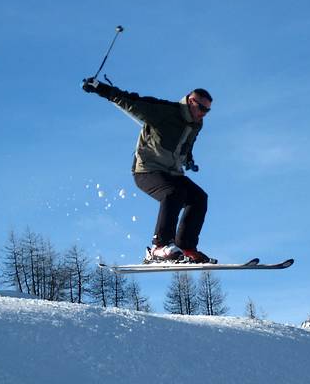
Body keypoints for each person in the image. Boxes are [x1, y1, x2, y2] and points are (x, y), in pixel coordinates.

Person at [82, 77, 216, 264]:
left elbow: (187, 143)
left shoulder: (196, 124)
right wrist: (99, 88)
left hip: (172, 172)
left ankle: (185, 246)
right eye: (202, 108)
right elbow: (130, 101)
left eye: (207, 111)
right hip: (146, 170)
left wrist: (189, 158)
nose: (204, 114)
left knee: (199, 197)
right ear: (191, 101)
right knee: (173, 192)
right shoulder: (165, 112)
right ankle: (159, 247)